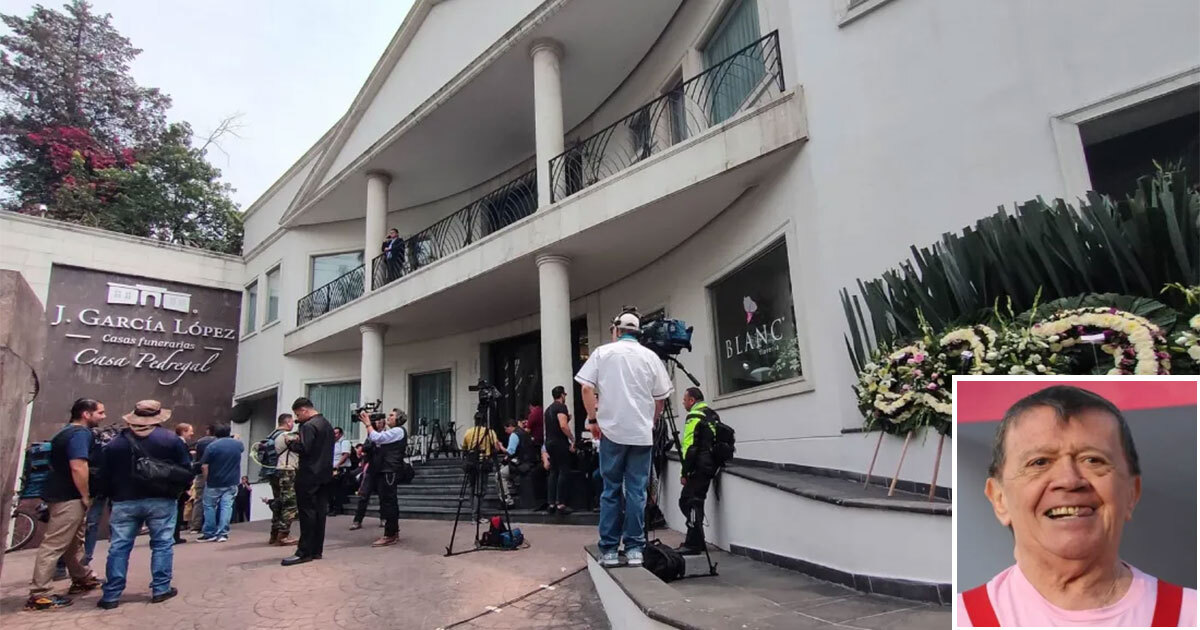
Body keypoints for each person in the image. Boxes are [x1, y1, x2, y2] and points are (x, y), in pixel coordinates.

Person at [957, 385, 1198, 627]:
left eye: (1093, 460)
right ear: (999, 499)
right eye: (1039, 462)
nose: (1069, 480)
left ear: (1131, 494)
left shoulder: (1189, 615)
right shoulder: (962, 619)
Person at [575, 308, 672, 568]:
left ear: (617, 330)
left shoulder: (603, 353)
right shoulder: (651, 357)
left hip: (612, 433)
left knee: (611, 491)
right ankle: (634, 549)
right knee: (637, 492)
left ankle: (608, 549)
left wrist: (593, 420)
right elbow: (661, 396)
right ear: (638, 333)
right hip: (640, 435)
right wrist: (651, 420)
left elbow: (586, 386)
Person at [96, 400, 192, 609]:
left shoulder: (115, 443)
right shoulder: (170, 440)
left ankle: (111, 594)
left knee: (119, 547)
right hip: (161, 499)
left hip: (124, 500)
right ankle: (160, 588)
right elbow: (185, 470)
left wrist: (108, 495)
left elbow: (104, 475)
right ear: (158, 417)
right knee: (162, 544)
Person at [24, 399, 104, 611]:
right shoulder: (80, 434)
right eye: (100, 413)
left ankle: (81, 578)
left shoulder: (64, 432)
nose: (103, 417)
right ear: (86, 414)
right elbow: (78, 466)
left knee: (72, 542)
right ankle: (40, 594)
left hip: (58, 493)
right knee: (54, 544)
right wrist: (85, 495)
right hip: (69, 496)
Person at [281, 397, 335, 566]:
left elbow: (305, 448)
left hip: (309, 474)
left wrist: (291, 443)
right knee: (320, 513)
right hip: (325, 474)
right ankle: (316, 550)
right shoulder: (326, 424)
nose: (297, 418)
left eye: (298, 414)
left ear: (304, 410)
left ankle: (304, 551)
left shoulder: (308, 426)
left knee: (307, 513)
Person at [358, 408, 408, 546]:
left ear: (398, 419)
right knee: (388, 501)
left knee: (388, 502)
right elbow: (375, 441)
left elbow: (377, 438)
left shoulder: (398, 431)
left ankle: (390, 534)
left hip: (389, 470)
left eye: (391, 415)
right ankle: (393, 531)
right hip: (384, 469)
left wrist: (368, 424)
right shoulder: (390, 432)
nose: (388, 417)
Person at [676, 387, 717, 555]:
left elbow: (689, 446)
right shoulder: (711, 414)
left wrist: (684, 472)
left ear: (692, 400)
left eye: (685, 399)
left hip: (698, 466)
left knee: (689, 502)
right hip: (710, 465)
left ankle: (693, 543)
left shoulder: (693, 416)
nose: (683, 402)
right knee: (693, 501)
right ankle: (697, 539)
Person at [197, 425, 243, 542]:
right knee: (226, 506)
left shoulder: (212, 446)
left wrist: (207, 479)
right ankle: (223, 533)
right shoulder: (238, 444)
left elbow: (204, 465)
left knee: (209, 506)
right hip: (232, 480)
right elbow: (240, 447)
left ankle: (209, 532)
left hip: (214, 480)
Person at [462, 416, 506, 522]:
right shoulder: (490, 432)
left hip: (471, 463)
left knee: (472, 488)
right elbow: (496, 447)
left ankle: (474, 512)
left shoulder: (468, 432)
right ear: (485, 422)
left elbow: (464, 448)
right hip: (483, 462)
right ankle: (476, 515)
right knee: (480, 490)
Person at [544, 385, 575, 515]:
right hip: (559, 442)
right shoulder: (561, 407)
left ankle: (551, 503)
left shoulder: (548, 409)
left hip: (549, 442)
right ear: (562, 395)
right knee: (563, 470)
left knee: (553, 471)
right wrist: (572, 438)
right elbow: (563, 425)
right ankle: (560, 503)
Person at [268, 413, 299, 546]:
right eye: (292, 421)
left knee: (278, 502)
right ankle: (283, 535)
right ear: (287, 423)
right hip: (287, 470)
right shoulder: (285, 436)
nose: (293, 424)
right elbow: (300, 440)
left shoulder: (271, 435)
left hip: (274, 471)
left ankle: (274, 534)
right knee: (290, 503)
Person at [187, 425, 216, 533]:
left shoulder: (200, 442)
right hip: (215, 473)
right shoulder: (218, 442)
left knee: (198, 500)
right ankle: (211, 525)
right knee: (214, 501)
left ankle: (196, 526)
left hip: (199, 473)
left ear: (208, 431)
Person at [172, 423, 193, 544]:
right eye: (190, 431)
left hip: (176, 480)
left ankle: (174, 535)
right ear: (183, 432)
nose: (192, 433)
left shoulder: (176, 443)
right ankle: (174, 536)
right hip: (179, 481)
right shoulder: (180, 444)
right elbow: (185, 463)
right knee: (177, 509)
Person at [330, 426, 352, 516]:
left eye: (336, 433)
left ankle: (337, 509)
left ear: (341, 434)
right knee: (332, 489)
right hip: (333, 468)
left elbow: (345, 454)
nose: (334, 435)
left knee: (337, 490)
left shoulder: (344, 442)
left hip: (341, 469)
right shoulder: (333, 443)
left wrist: (337, 465)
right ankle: (333, 508)